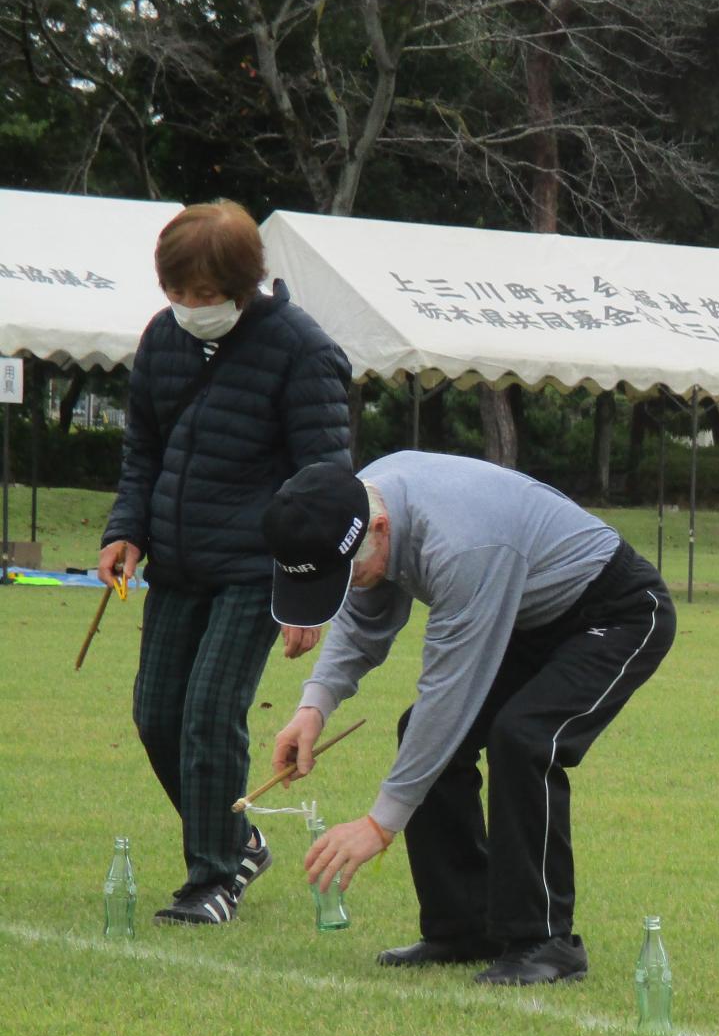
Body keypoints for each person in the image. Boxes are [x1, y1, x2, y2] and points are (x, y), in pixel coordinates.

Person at [265, 454, 675, 986]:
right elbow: (364, 618)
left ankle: (547, 942)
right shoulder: (359, 502)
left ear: (380, 530)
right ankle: (463, 927)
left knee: (524, 738)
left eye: (348, 574)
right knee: (424, 731)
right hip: (528, 615)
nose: (349, 586)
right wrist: (312, 708)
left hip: (615, 611)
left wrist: (379, 824)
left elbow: (449, 696)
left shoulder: (463, 546)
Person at [97, 200, 352, 926]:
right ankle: (238, 838)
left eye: (203, 295)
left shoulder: (303, 352)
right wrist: (127, 530)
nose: (187, 306)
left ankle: (213, 877)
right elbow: (143, 448)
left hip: (255, 570)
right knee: (156, 715)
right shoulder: (163, 337)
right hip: (176, 565)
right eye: (175, 291)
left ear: (242, 284)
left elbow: (327, 484)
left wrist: (309, 598)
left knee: (211, 712)